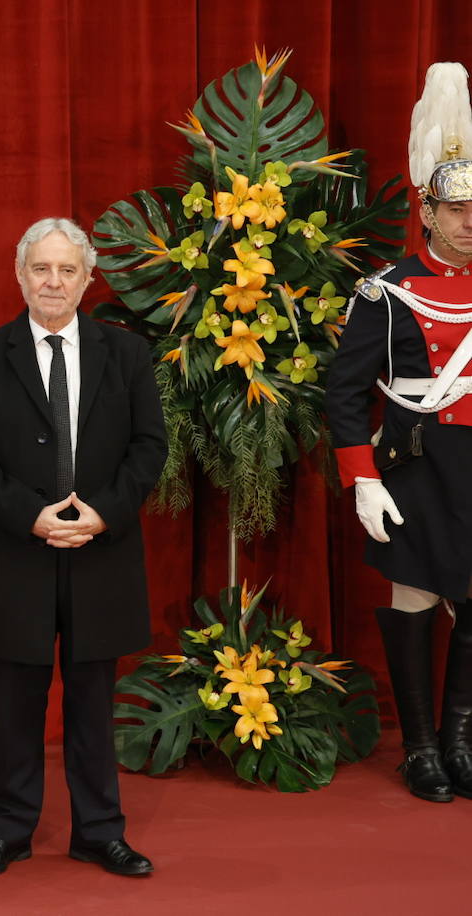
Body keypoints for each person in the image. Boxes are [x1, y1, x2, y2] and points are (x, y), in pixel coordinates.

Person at [0, 218, 166, 878]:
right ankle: (6, 832)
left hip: (102, 554)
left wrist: (100, 514)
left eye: (67, 270)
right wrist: (33, 517)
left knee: (93, 707)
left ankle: (99, 831)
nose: (53, 281)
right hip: (15, 556)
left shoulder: (125, 355)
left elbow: (149, 448)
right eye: (41, 269)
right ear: (20, 275)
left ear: (86, 278)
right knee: (15, 708)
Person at [325, 62, 472, 805]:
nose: (470, 221)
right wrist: (363, 480)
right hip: (415, 466)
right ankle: (419, 749)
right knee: (415, 596)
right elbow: (345, 394)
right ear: (426, 210)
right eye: (456, 209)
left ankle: (461, 742)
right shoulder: (384, 291)